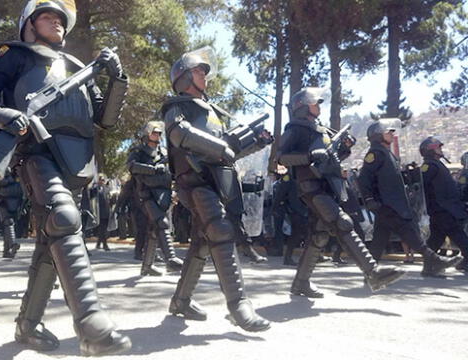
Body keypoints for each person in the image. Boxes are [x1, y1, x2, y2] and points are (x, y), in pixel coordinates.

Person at [0, 1, 131, 355]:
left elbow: (105, 119)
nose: (57, 22)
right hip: (34, 151)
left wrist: (117, 79)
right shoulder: (14, 55)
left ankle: (28, 326)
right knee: (63, 219)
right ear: (29, 23)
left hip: (75, 159)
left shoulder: (76, 68)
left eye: (61, 19)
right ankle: (90, 323)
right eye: (47, 16)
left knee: (50, 241)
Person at [162, 46, 273, 332]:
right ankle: (239, 305)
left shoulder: (213, 112)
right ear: (184, 77)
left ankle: (180, 300)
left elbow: (229, 150)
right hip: (194, 181)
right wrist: (220, 146)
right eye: (199, 71)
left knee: (202, 242)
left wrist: (257, 141)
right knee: (221, 231)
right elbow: (179, 133)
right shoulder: (177, 105)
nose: (205, 76)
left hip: (217, 182)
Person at [277, 89, 405, 298]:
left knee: (319, 235)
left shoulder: (322, 130)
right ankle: (373, 272)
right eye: (313, 103)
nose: (318, 105)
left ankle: (300, 283)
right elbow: (281, 158)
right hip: (310, 186)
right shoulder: (295, 129)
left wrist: (345, 148)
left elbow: (331, 159)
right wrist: (308, 156)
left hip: (328, 185)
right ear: (301, 106)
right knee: (342, 222)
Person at [357, 120, 463, 277]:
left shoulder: (386, 154)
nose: (392, 134)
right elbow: (364, 179)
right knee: (409, 234)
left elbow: (393, 179)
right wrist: (369, 199)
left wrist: (410, 174)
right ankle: (433, 259)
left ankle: (369, 273)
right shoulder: (376, 154)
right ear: (378, 136)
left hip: (391, 204)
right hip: (388, 205)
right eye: (388, 132)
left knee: (379, 242)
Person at [127, 121, 183, 276]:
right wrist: (152, 169)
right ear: (147, 134)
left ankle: (147, 266)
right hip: (146, 195)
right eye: (154, 132)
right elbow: (131, 166)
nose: (157, 135)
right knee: (161, 223)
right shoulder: (138, 151)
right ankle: (170, 259)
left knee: (154, 231)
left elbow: (173, 172)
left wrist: (174, 191)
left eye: (159, 133)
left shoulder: (164, 152)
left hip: (164, 195)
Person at [419, 137, 468, 273]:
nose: (440, 150)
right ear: (429, 151)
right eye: (437, 148)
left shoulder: (436, 164)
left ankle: (429, 266)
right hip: (443, 209)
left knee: (435, 239)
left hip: (445, 209)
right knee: (459, 236)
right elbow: (422, 184)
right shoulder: (429, 166)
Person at [0, 168, 23, 258]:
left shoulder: (19, 177)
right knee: (9, 224)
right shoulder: (4, 177)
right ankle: (12, 244)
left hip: (13, 203)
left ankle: (7, 251)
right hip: (4, 203)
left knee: (7, 226)